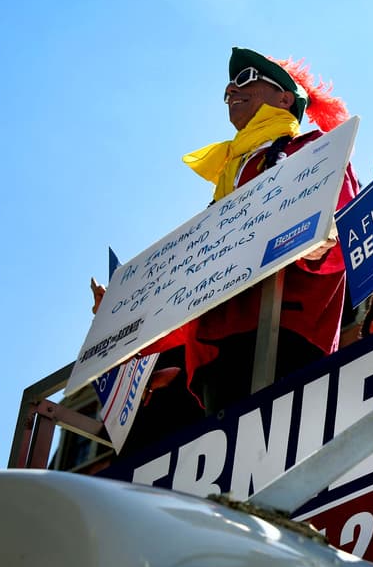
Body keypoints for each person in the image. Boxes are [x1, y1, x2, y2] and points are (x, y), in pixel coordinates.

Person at [118, 48, 359, 451]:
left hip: (287, 336)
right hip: (215, 361)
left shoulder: (313, 149)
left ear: (286, 98)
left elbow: (344, 238)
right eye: (230, 85)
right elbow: (194, 291)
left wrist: (322, 246)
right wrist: (128, 319)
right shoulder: (228, 177)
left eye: (247, 77)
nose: (232, 88)